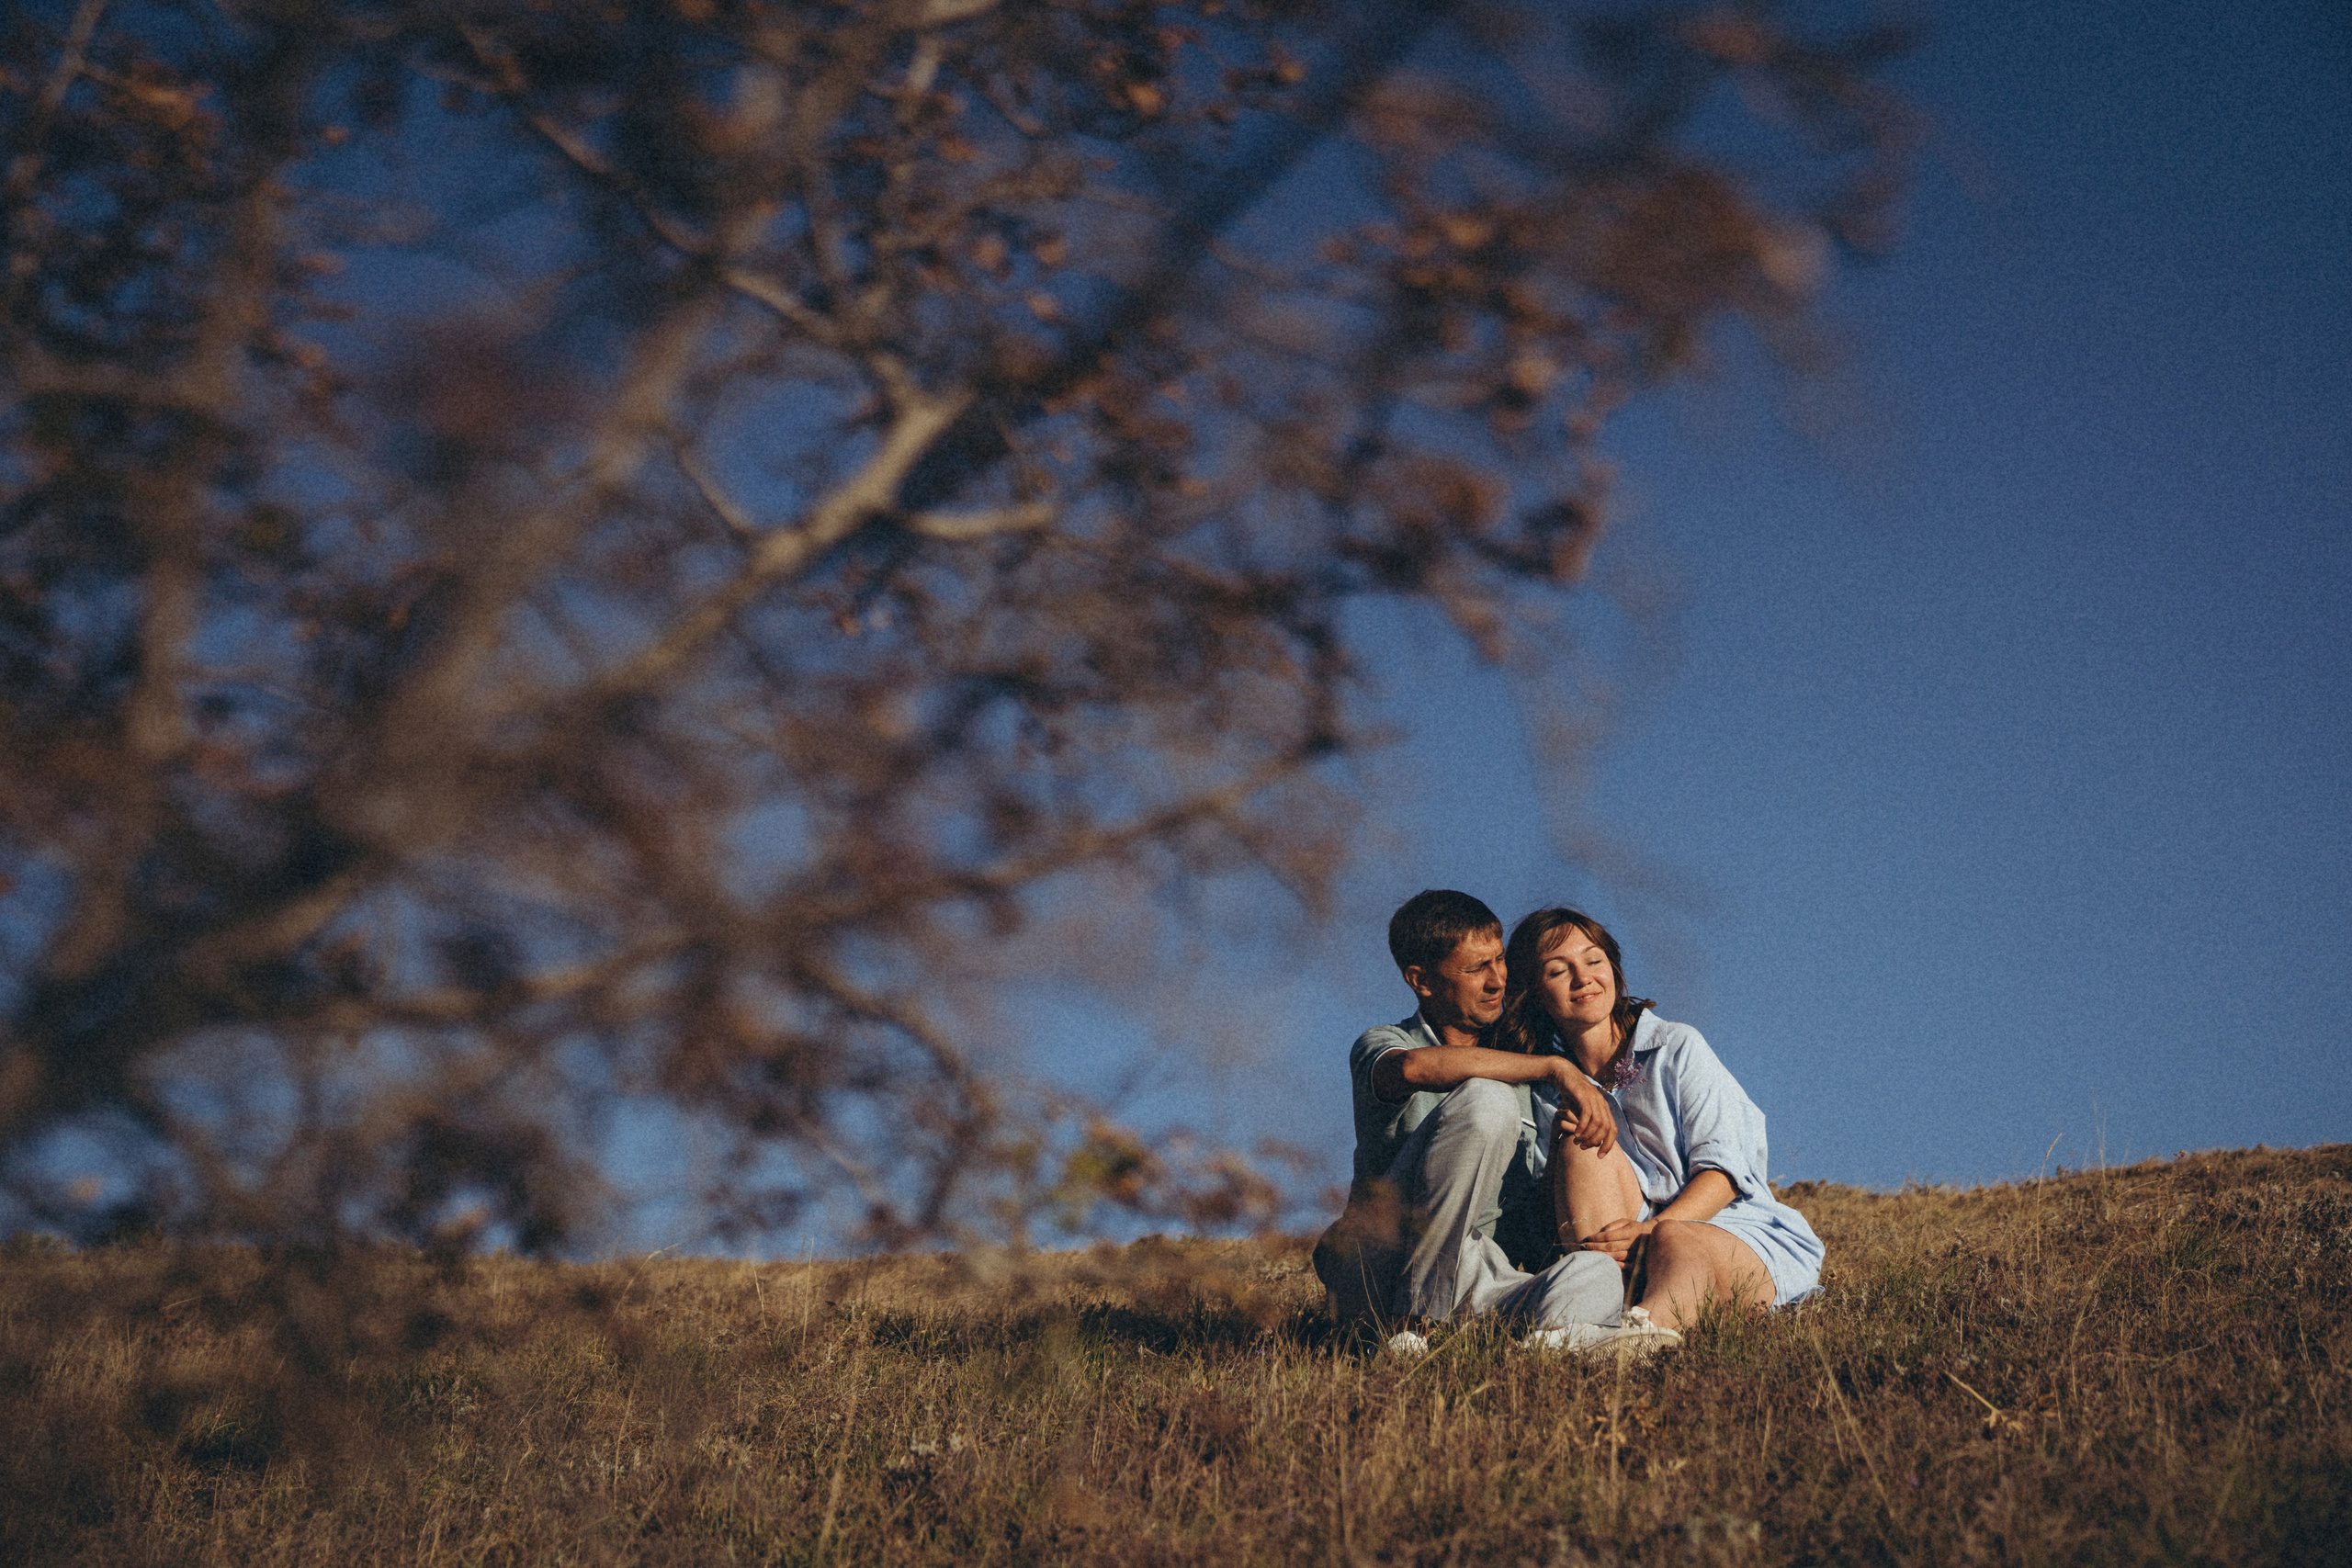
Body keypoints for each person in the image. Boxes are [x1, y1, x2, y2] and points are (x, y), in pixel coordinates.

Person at [1311, 890, 1677, 1355]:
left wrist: (1563, 1160)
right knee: (1486, 1100)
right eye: (1474, 969)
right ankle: (1416, 1323)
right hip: (1384, 1263)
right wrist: (1557, 1067)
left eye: (1500, 960)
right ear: (1421, 981)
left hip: (1474, 1270)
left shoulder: (1519, 1066)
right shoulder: (1384, 1042)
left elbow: (1524, 1212)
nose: (1497, 980)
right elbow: (1411, 1070)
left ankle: (1544, 1347)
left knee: (1596, 1271)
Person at [1497, 907, 1823, 1336]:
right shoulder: (1547, 1092)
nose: (1584, 978)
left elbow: (1724, 1173)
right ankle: (1610, 1317)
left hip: (1729, 1234)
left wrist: (1650, 1231)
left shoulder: (1676, 1047)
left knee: (1674, 1238)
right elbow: (1548, 1228)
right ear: (1536, 992)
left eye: (1594, 961)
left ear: (1613, 968)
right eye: (1559, 971)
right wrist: (1558, 1150)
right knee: (1580, 1134)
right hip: (1622, 1257)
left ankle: (1642, 1336)